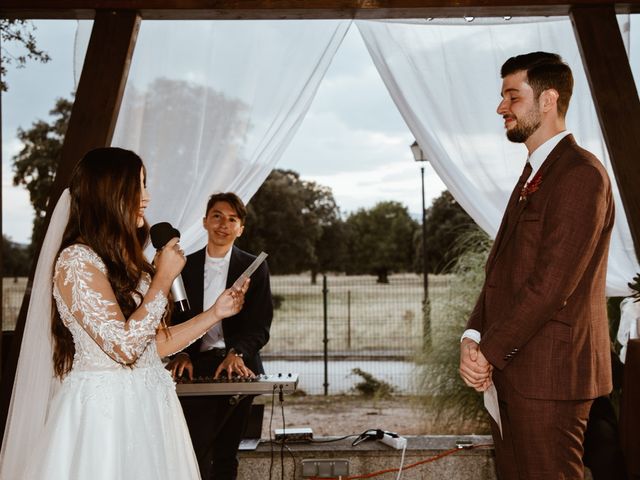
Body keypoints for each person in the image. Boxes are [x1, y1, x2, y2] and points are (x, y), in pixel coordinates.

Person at [1, 147, 248, 480]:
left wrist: (216, 312)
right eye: (139, 184)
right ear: (111, 192)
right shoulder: (76, 262)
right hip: (105, 420)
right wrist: (162, 279)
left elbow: (154, 345)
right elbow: (123, 347)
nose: (146, 197)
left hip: (151, 409)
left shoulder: (129, 265)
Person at [459, 52, 614, 479]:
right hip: (516, 375)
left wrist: (488, 351)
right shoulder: (534, 172)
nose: (501, 107)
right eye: (502, 96)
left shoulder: (581, 174)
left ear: (548, 100)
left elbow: (551, 284)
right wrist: (472, 337)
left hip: (551, 378)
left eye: (513, 96)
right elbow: (501, 273)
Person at [166, 192, 273, 480]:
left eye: (232, 219)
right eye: (217, 216)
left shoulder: (255, 267)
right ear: (205, 221)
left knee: (227, 453)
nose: (223, 224)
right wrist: (181, 353)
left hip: (238, 367)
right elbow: (174, 318)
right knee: (194, 447)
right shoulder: (183, 266)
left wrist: (236, 352)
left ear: (241, 228)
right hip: (193, 367)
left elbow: (260, 325)